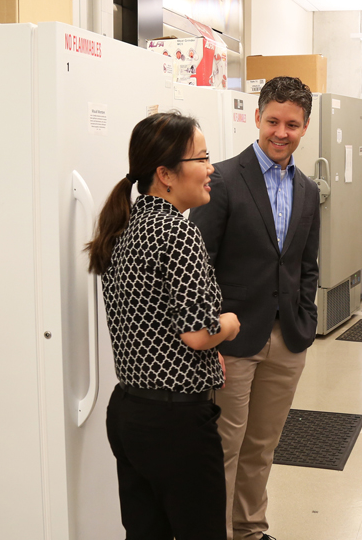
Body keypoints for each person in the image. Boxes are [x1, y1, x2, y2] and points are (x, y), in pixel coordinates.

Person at [87, 112, 241, 540]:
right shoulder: (177, 231)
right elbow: (197, 334)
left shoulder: (126, 224)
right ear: (165, 174)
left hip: (129, 413)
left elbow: (154, 320)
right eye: (203, 158)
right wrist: (228, 325)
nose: (211, 168)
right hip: (175, 424)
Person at [189, 76, 320, 540]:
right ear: (257, 117)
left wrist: (306, 317)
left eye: (292, 124)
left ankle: (249, 529)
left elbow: (307, 263)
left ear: (305, 127)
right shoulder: (222, 178)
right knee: (226, 444)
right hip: (231, 342)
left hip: (287, 338)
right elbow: (198, 263)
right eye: (272, 121)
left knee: (263, 445)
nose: (280, 132)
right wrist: (211, 336)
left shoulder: (307, 189)